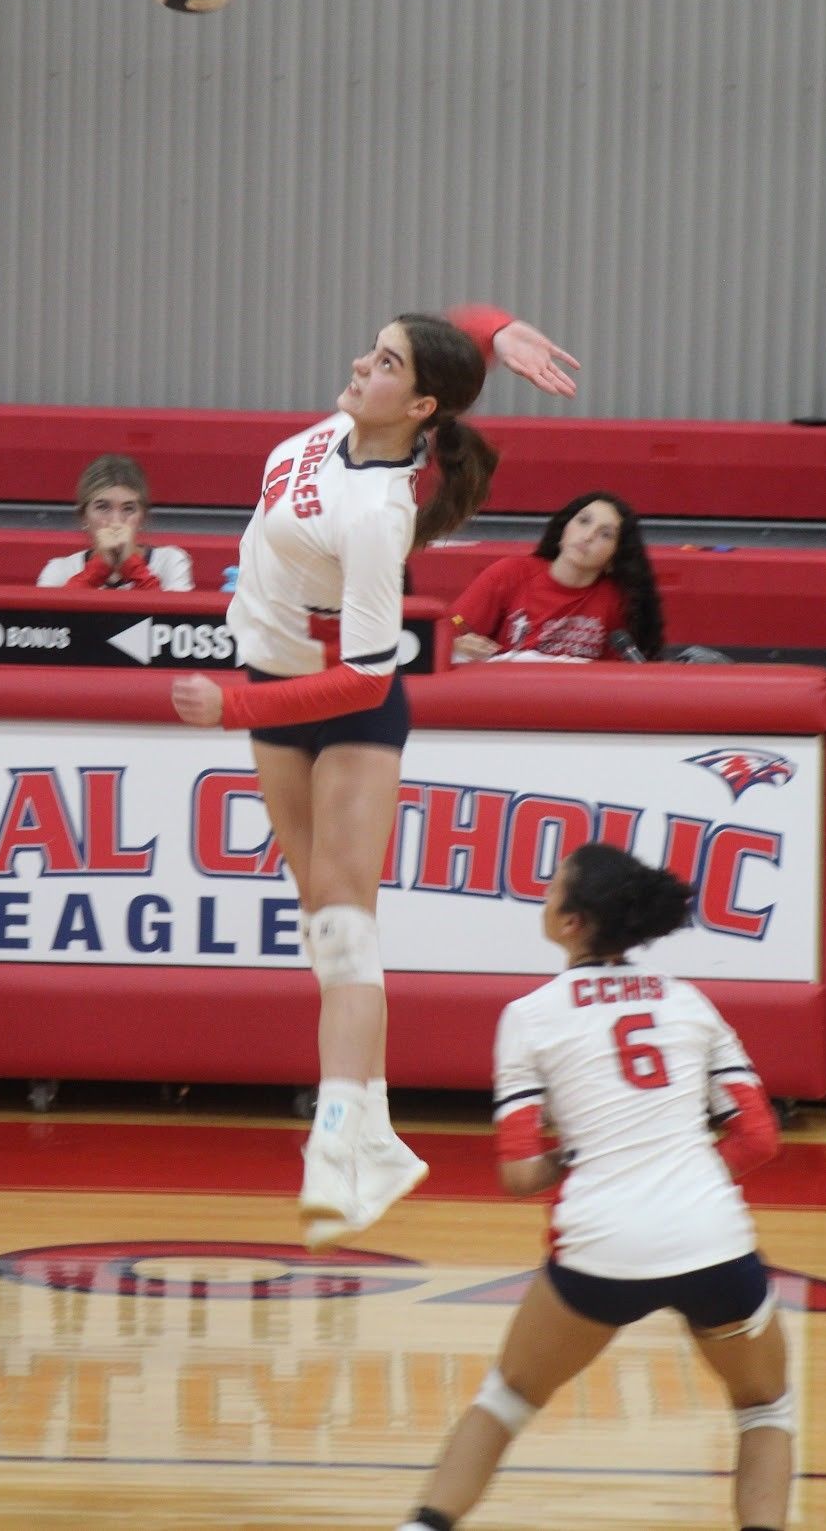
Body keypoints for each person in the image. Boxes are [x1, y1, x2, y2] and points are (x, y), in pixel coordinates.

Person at [170, 305, 579, 1247]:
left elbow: (364, 674)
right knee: (326, 925)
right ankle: (382, 1135)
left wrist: (229, 710)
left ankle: (339, 1138)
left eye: (385, 361)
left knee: (347, 929)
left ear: (419, 403)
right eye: (373, 347)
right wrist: (496, 328)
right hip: (275, 690)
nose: (361, 362)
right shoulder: (340, 430)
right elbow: (440, 334)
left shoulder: (376, 513)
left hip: (339, 706)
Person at [397, 842, 789, 1531]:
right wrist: (684, 1175)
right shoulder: (689, 1000)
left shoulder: (530, 1015)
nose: (543, 899)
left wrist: (576, 1155)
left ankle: (422, 1525)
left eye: (551, 891)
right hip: (712, 1237)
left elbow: (520, 1174)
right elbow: (759, 1137)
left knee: (508, 1397)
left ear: (573, 922)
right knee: (764, 1406)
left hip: (602, 1245)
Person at [448, 490, 665, 663]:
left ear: (614, 558)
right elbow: (444, 636)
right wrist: (457, 645)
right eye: (583, 521)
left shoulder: (615, 600)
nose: (588, 536)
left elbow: (617, 679)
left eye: (605, 534)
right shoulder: (509, 573)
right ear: (564, 529)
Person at [36, 453, 194, 592]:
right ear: (84, 516)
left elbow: (170, 621)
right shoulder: (59, 570)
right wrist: (97, 570)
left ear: (142, 517)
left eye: (128, 509)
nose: (116, 521)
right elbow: (54, 622)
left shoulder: (170, 561)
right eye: (103, 507)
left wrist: (133, 566)